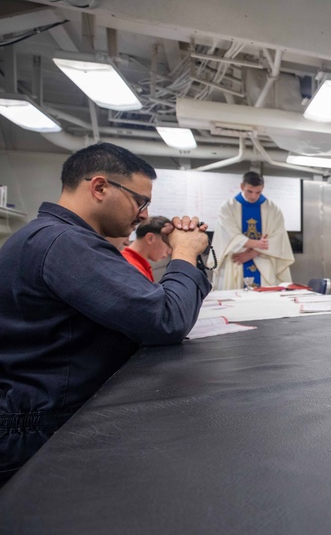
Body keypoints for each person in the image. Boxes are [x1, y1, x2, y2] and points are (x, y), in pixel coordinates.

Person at [0, 142, 211, 484]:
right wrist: (184, 254)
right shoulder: (63, 243)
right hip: (45, 433)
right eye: (140, 201)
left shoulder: (50, 238)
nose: (144, 215)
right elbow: (166, 318)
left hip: (44, 419)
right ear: (99, 187)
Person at [213, 171, 294, 289]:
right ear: (242, 186)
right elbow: (229, 235)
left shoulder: (273, 209)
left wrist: (253, 253)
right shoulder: (228, 207)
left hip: (263, 263)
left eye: (258, 192)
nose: (253, 196)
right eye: (249, 191)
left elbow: (278, 237)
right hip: (236, 261)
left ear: (263, 188)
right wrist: (258, 244)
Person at [121, 215, 173, 281]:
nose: (169, 251)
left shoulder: (136, 264)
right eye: (167, 244)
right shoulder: (131, 269)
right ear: (150, 238)